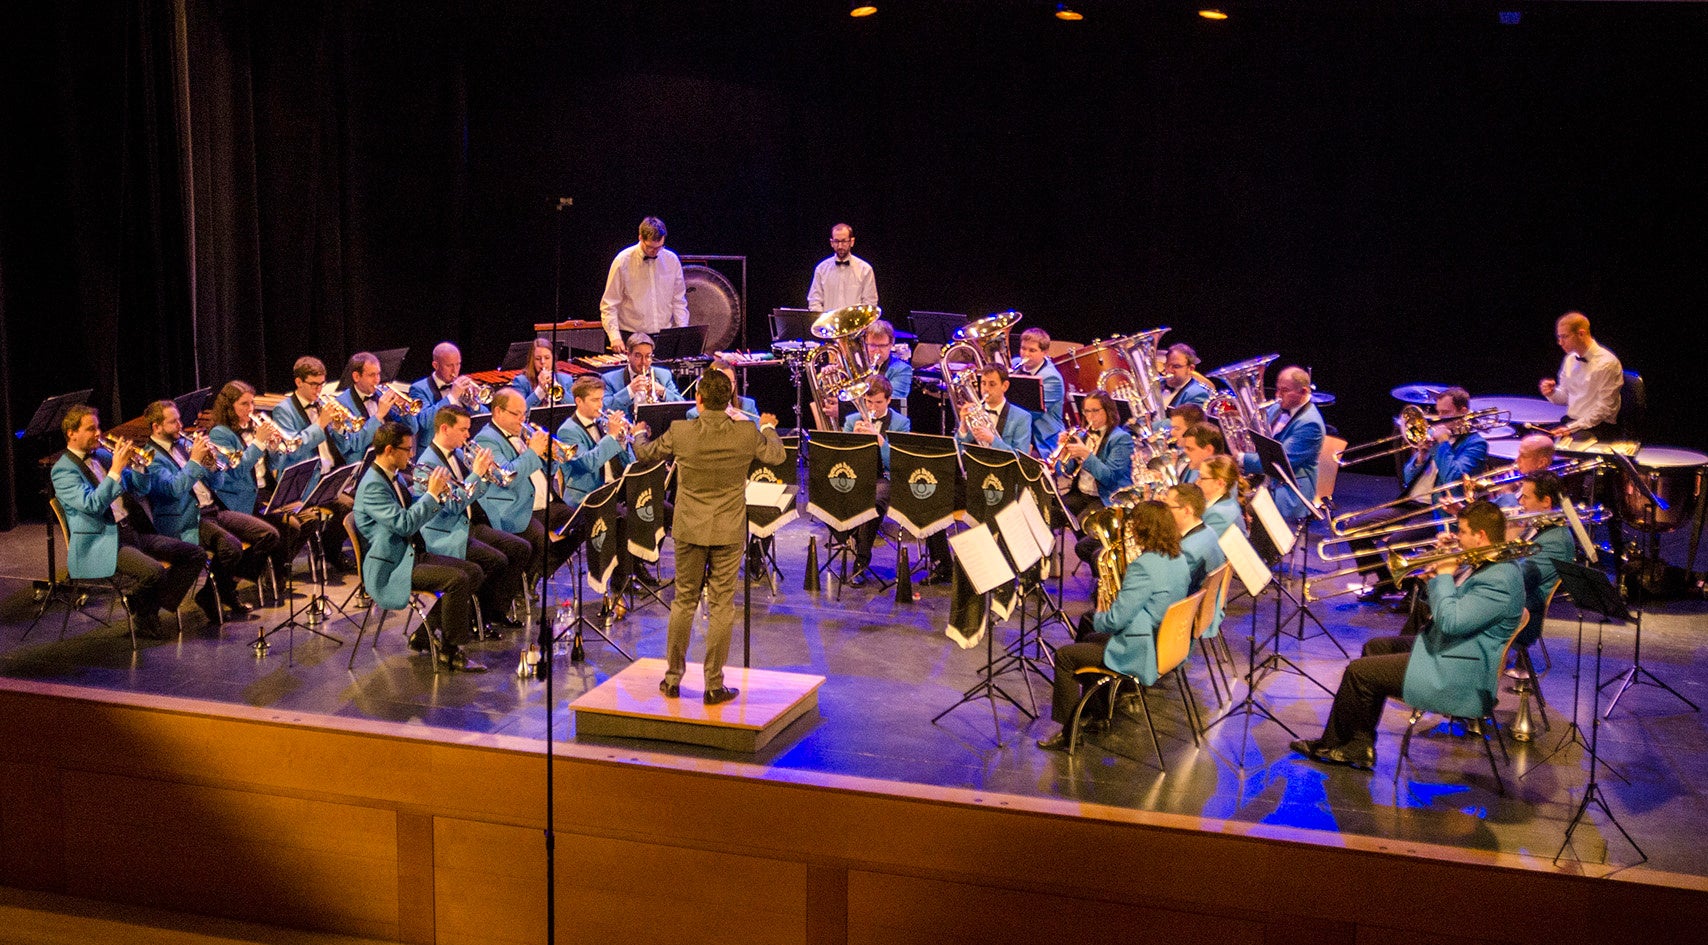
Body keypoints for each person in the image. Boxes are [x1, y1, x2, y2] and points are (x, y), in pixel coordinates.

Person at [1289, 501, 1524, 769]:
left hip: (1460, 672)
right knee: (1375, 647)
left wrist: (1444, 577)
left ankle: (1333, 745)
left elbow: (1450, 622)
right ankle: (1358, 744)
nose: (1458, 538)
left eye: (1462, 532)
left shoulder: (1500, 579)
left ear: (1480, 535)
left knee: (1359, 672)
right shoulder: (1486, 562)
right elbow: (1448, 609)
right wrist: (1431, 580)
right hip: (1454, 650)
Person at [631, 370, 785, 703]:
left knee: (683, 601)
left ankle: (672, 679)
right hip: (728, 530)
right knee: (721, 606)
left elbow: (645, 455)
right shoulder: (746, 432)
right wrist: (769, 428)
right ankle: (713, 685)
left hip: (689, 527)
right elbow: (777, 455)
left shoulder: (681, 431)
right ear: (730, 400)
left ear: (698, 399)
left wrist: (639, 435)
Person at [1037, 500, 1191, 751]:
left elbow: (1115, 620)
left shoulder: (1145, 565)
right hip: (1162, 643)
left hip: (1139, 650)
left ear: (1145, 529)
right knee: (1089, 642)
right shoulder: (1178, 558)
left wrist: (1100, 612)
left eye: (1134, 527)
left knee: (1065, 656)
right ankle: (1096, 716)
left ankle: (1068, 732)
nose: (1131, 532)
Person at [50, 405, 206, 640]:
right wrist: (114, 470)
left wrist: (140, 466)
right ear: (72, 433)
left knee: (194, 554)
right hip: (101, 542)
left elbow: (140, 488)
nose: (98, 433)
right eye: (90, 429)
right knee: (153, 571)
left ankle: (142, 605)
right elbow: (93, 505)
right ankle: (145, 613)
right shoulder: (62, 471)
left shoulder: (101, 456)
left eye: (98, 427)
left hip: (130, 532)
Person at [353, 422, 487, 672]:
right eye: (407, 449)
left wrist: (439, 491)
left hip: (410, 553)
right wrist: (432, 495)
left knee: (474, 571)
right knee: (457, 580)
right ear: (390, 450)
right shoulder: (373, 485)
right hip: (391, 566)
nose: (412, 454)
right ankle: (451, 650)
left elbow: (410, 507)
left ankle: (426, 637)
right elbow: (404, 524)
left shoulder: (392, 476)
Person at [144, 399, 280, 620]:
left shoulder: (182, 445)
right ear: (156, 427)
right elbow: (173, 489)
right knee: (231, 547)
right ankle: (213, 596)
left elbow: (216, 483)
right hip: (187, 519)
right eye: (172, 422)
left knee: (268, 535)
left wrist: (212, 464)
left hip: (212, 510)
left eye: (179, 419)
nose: (180, 425)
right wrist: (196, 461)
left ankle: (222, 591)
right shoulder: (151, 458)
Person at [416, 405, 531, 632]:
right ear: (445, 428)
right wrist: (477, 473)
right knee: (493, 562)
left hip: (467, 525)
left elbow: (474, 491)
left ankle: (493, 613)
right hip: (444, 533)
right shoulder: (427, 464)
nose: (468, 435)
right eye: (463, 430)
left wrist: (487, 474)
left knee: (520, 548)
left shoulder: (458, 453)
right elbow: (453, 504)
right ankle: (470, 620)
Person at [473, 388, 572, 580]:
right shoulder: (486, 439)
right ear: (498, 411)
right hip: (514, 509)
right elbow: (507, 476)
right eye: (516, 413)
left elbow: (548, 471)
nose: (522, 419)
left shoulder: (520, 434)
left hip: (542, 503)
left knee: (581, 520)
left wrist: (551, 455)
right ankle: (521, 584)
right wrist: (533, 452)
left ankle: (536, 576)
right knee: (540, 541)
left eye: (524, 413)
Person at [265, 357, 352, 573]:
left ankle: (331, 551)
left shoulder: (322, 404)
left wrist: (338, 427)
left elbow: (342, 443)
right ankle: (281, 566)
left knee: (350, 507)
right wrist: (320, 424)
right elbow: (292, 449)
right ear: (298, 382)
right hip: (301, 484)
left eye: (322, 383)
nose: (319, 389)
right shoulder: (283, 410)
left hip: (325, 476)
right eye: (314, 384)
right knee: (309, 520)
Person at [840, 375, 910, 586]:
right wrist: (854, 440)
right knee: (825, 493)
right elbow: (842, 456)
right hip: (857, 476)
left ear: (888, 400)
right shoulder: (852, 420)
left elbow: (899, 463)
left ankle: (860, 562)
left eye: (878, 402)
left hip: (886, 478)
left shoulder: (901, 423)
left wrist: (881, 442)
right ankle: (847, 534)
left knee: (874, 502)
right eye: (868, 402)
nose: (872, 407)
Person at [1238, 365, 1323, 524]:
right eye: (1277, 389)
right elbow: (1259, 435)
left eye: (1284, 390)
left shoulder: (1310, 424)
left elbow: (1279, 462)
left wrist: (1242, 459)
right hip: (1268, 479)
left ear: (1303, 392)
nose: (1278, 395)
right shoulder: (1278, 407)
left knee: (1240, 509)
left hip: (1290, 491)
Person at [600, 216, 689, 354]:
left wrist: (682, 332)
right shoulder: (622, 261)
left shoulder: (672, 260)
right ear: (640, 237)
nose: (655, 252)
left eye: (659, 247)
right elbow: (609, 304)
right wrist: (614, 337)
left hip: (662, 336)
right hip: (631, 336)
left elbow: (678, 301)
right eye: (651, 248)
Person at [1511, 471, 1575, 651]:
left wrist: (1504, 543)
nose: (1520, 503)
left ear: (1546, 501)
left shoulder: (1556, 541)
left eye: (1525, 497)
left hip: (1522, 614)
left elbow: (1518, 580)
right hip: (1513, 600)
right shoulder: (1538, 526)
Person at [555, 376, 636, 506]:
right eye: (595, 400)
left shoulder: (602, 422)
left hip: (615, 489)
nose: (600, 405)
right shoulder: (567, 431)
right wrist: (611, 436)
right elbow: (588, 464)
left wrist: (621, 440)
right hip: (586, 497)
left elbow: (630, 463)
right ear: (579, 401)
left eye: (601, 399)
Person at [1539, 311, 1621, 438]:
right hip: (1573, 422)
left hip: (1598, 426)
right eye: (1559, 337)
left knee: (1560, 451)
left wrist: (1570, 428)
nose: (1560, 342)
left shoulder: (1607, 363)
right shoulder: (1570, 359)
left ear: (1581, 334)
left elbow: (1604, 409)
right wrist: (1552, 393)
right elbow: (1565, 398)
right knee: (1536, 441)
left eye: (1565, 337)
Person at [1056, 391, 1134, 520]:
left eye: (1095, 411)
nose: (1090, 416)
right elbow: (1068, 471)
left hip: (1106, 498)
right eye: (1086, 411)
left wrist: (1087, 455)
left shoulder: (1121, 438)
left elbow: (1110, 478)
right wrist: (1064, 455)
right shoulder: (1082, 435)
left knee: (1082, 523)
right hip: (1080, 494)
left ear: (1108, 411)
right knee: (1053, 512)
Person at [602, 332, 683, 420]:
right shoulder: (609, 379)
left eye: (648, 356)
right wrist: (629, 391)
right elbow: (605, 410)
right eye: (638, 356)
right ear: (628, 355)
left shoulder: (664, 375)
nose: (644, 362)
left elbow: (682, 406)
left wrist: (663, 392)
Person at [1010, 327, 1065, 457]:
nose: (1026, 354)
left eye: (1032, 350)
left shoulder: (1052, 378)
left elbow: (1031, 413)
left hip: (1041, 440)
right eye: (1023, 348)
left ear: (1044, 352)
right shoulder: (1015, 365)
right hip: (1020, 433)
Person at [955, 363, 1032, 453]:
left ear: (1005, 386)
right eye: (983, 383)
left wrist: (992, 439)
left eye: (992, 384)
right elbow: (959, 452)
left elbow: (1021, 457)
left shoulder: (1022, 417)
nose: (986, 389)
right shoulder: (973, 413)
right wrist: (963, 427)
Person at [807, 222, 878, 312]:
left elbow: (870, 303)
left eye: (844, 241)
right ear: (831, 243)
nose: (840, 246)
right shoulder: (821, 269)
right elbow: (814, 301)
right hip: (828, 325)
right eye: (836, 241)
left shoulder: (865, 269)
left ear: (851, 242)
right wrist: (823, 322)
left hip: (855, 325)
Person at [1167, 483, 1225, 593]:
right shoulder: (1209, 531)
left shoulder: (1187, 550)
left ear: (1187, 510)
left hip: (1192, 607)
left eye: (1169, 507)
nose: (1165, 512)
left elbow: (1171, 589)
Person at [511, 338, 579, 410]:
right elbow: (519, 411)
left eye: (547, 358)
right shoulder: (521, 381)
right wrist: (540, 390)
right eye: (538, 358)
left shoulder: (566, 379)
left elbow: (574, 409)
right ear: (532, 361)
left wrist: (555, 386)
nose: (543, 362)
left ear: (553, 359)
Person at [1197, 455, 1248, 538]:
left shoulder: (1219, 515)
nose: (1197, 482)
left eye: (1202, 477)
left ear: (1219, 483)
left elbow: (1200, 547)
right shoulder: (1222, 501)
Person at [865, 319, 913, 402]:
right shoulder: (858, 366)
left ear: (891, 344)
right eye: (872, 345)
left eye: (882, 346)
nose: (877, 350)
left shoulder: (903, 369)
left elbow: (894, 399)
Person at [1160, 344, 1212, 409]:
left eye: (1176, 366)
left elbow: (1185, 419)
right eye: (1167, 365)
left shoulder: (1197, 394)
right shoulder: (1157, 383)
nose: (1169, 370)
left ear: (1191, 368)